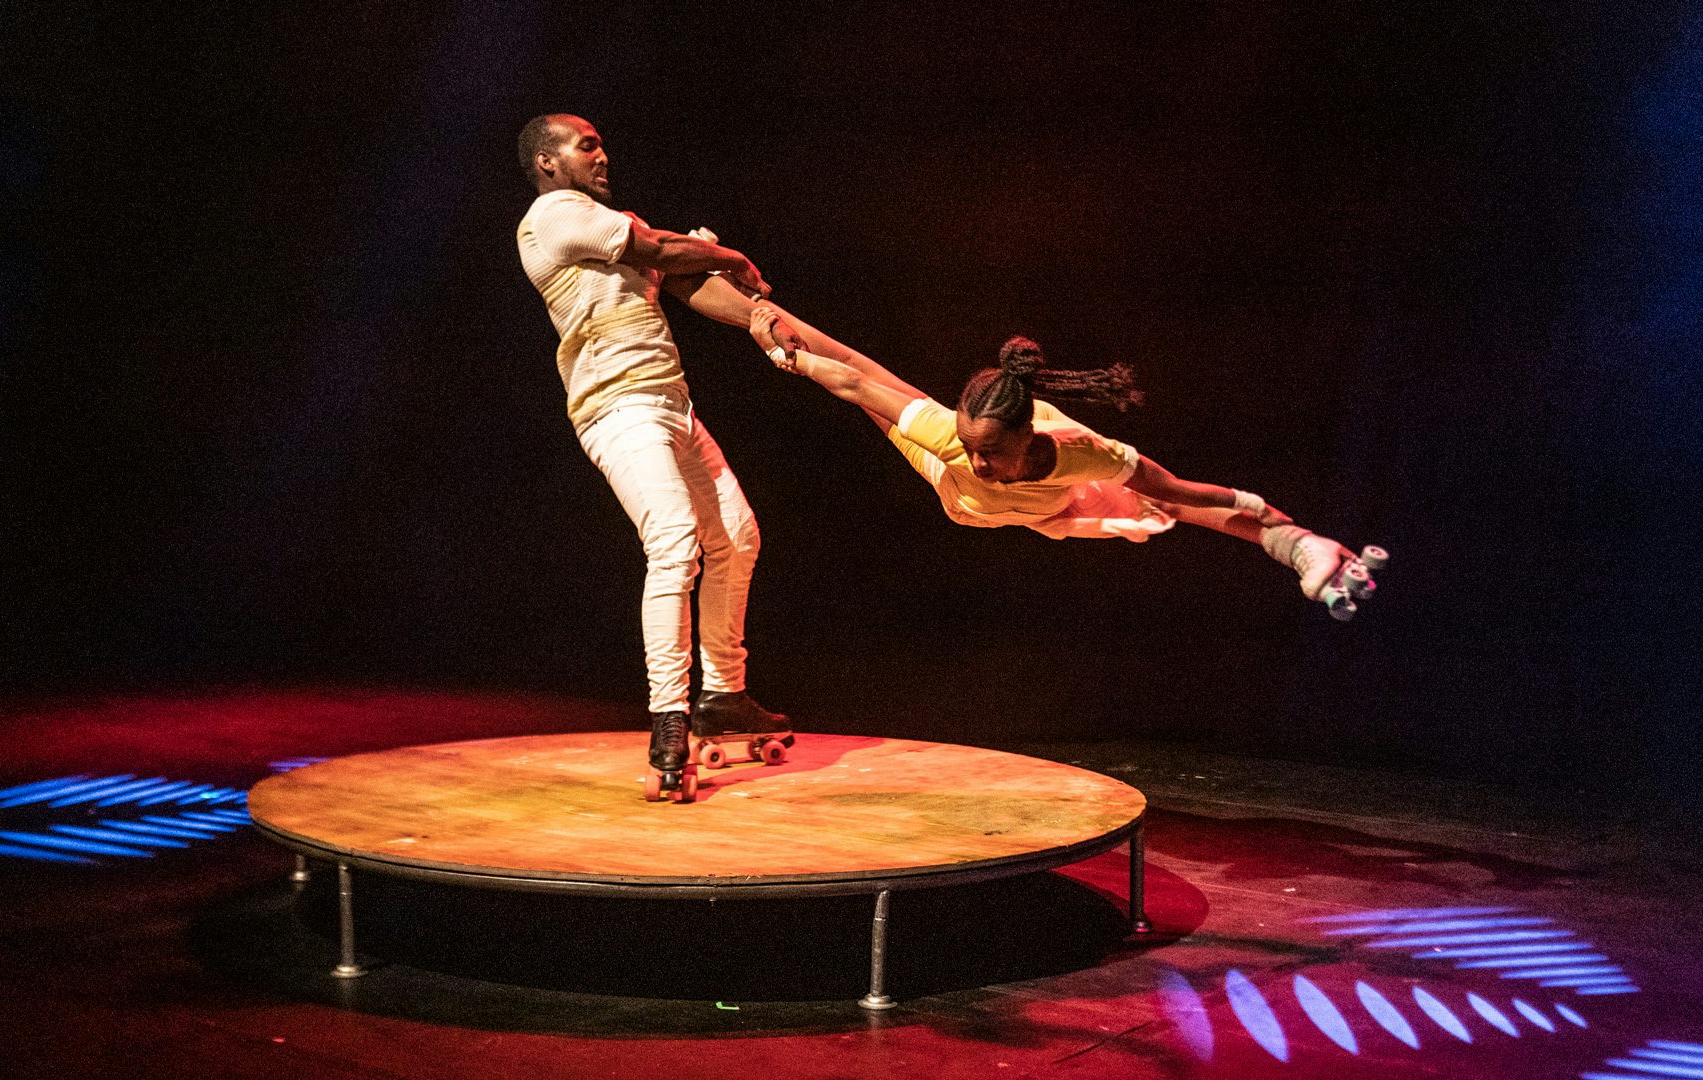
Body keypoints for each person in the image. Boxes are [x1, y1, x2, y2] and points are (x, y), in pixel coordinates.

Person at [745, 307, 1378, 614]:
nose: (983, 458)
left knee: (1164, 506)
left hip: (1049, 505)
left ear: (1028, 436)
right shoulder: (952, 442)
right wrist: (787, 355)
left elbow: (1183, 490)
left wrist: (1265, 512)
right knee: (874, 391)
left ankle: (1299, 547)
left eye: (992, 451)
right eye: (975, 446)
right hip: (958, 497)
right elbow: (856, 383)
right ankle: (762, 308)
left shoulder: (1084, 454)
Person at [513, 114, 791, 795]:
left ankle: (723, 696)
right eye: (587, 146)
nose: (602, 154)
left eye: (602, 142)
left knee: (738, 535)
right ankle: (669, 714)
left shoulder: (618, 234)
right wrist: (723, 254)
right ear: (549, 163)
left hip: (671, 405)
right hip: (618, 407)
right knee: (674, 542)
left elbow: (684, 275)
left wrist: (757, 313)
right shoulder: (552, 217)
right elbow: (665, 251)